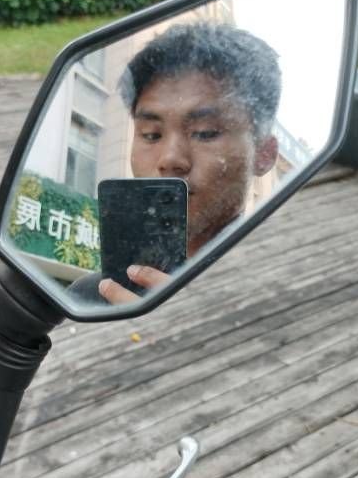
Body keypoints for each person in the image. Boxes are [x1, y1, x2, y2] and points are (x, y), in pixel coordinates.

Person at [74, 20, 282, 304]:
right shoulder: (88, 297)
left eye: (205, 133)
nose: (170, 158)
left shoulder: (280, 287)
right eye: (151, 135)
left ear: (264, 154)